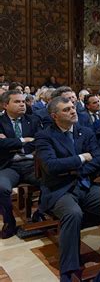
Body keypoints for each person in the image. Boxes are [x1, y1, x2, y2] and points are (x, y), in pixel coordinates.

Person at [35, 96, 100, 281]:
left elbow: (99, 159)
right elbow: (50, 166)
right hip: (59, 189)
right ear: (54, 116)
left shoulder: (85, 131)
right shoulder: (45, 136)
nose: (73, 111)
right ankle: (69, 269)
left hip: (84, 184)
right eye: (66, 109)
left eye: (73, 107)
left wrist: (74, 170)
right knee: (73, 214)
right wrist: (82, 158)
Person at [0, 90, 42, 239]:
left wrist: (8, 142)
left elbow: (41, 140)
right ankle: (9, 221)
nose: (22, 105)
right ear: (5, 105)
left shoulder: (33, 120)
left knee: (51, 180)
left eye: (23, 102)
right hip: (9, 165)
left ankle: (40, 214)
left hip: (31, 163)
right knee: (2, 187)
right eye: (17, 102)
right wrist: (24, 140)